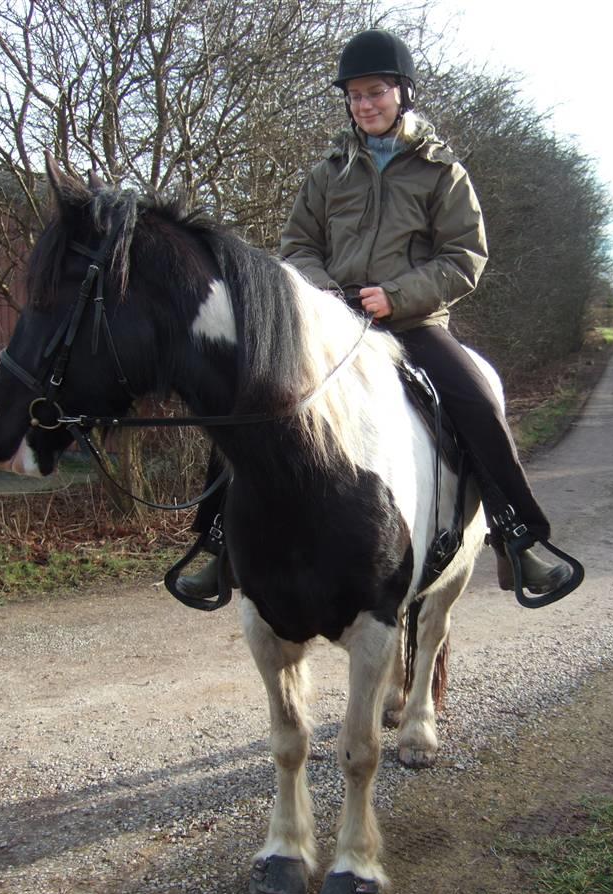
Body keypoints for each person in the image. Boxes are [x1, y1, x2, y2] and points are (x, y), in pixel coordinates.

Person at [178, 28, 577, 604]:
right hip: (333, 329)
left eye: (376, 93)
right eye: (356, 96)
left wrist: (397, 295)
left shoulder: (443, 173)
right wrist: (323, 296)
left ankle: (519, 538)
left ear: (402, 93)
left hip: (414, 326)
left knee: (476, 399)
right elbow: (296, 247)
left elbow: (464, 257)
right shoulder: (328, 172)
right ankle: (216, 546)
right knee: (249, 396)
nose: (365, 105)